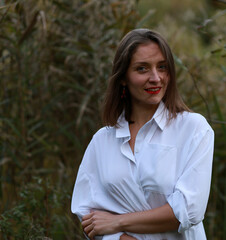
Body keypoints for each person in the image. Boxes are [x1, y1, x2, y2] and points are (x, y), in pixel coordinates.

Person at [71, 28, 214, 240]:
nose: (156, 78)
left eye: (162, 67)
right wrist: (119, 237)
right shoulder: (102, 141)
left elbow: (188, 210)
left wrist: (117, 222)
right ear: (123, 78)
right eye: (142, 69)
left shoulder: (193, 129)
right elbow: (88, 215)